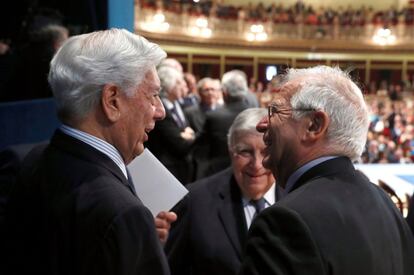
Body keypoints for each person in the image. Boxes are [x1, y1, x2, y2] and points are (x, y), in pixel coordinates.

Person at [5, 29, 176, 275]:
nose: (160, 111)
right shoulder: (124, 214)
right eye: (152, 95)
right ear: (112, 101)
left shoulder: (28, 161)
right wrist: (132, 240)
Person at [240, 66, 414, 275]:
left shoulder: (286, 221)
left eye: (275, 111)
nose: (261, 124)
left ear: (314, 125)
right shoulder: (386, 205)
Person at [165, 108, 275, 275]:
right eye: (245, 151)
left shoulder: (300, 198)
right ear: (230, 151)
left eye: (266, 152)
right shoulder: (194, 201)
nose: (257, 164)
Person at [193, 70, 250, 179]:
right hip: (247, 172)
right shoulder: (254, 114)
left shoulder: (214, 116)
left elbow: (200, 144)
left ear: (224, 92)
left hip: (217, 173)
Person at [146, 65, 195, 184]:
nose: (183, 85)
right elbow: (178, 144)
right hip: (167, 170)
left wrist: (187, 135)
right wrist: (189, 136)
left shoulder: (178, 105)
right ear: (169, 86)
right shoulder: (160, 108)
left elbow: (186, 132)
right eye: (178, 82)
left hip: (183, 168)